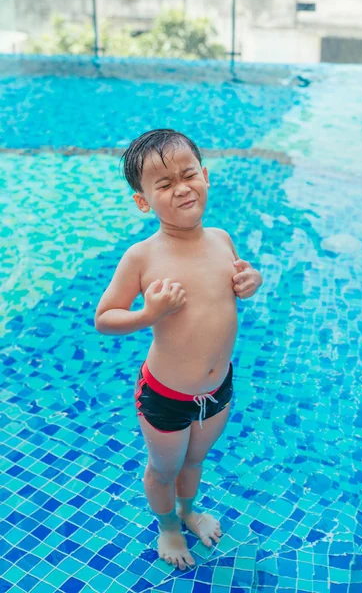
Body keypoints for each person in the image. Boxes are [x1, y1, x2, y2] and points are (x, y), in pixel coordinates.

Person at [95, 129, 262, 571]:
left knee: (195, 459)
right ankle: (168, 525)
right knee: (163, 469)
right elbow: (105, 317)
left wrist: (250, 282)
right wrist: (148, 314)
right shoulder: (142, 257)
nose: (182, 187)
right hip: (166, 396)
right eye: (164, 184)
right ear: (144, 201)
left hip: (218, 390)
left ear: (205, 177)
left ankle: (188, 509)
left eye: (188, 174)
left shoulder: (222, 239)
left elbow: (234, 284)